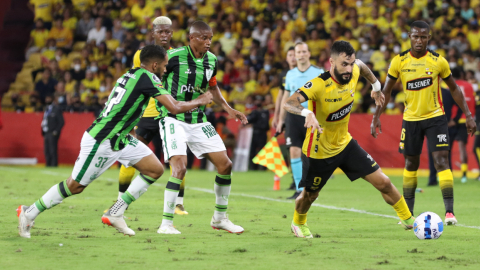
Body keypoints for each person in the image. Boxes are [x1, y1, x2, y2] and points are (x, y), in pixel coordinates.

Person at [17, 44, 213, 238]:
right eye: (164, 65)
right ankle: (29, 212)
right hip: (102, 140)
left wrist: (131, 133)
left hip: (123, 137)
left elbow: (125, 106)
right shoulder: (149, 78)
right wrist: (200, 100)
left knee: (155, 169)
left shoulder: (131, 74)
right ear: (154, 65)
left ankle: (116, 212)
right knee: (74, 186)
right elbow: (174, 107)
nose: (165, 69)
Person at [284, 40, 413, 238]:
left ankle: (408, 219)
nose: (349, 68)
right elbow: (289, 102)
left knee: (384, 182)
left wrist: (377, 86)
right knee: (310, 195)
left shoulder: (354, 70)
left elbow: (362, 66)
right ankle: (298, 223)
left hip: (345, 145)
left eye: (350, 63)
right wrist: (306, 114)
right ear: (331, 62)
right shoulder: (319, 84)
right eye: (344, 64)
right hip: (318, 151)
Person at [371, 21, 476, 226]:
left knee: (441, 162)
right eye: (415, 36)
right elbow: (387, 90)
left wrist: (469, 115)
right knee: (411, 163)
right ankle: (408, 215)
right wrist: (376, 116)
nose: (419, 40)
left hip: (436, 118)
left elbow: (454, 88)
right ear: (409, 36)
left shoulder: (438, 61)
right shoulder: (398, 61)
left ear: (429, 37)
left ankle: (449, 213)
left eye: (423, 37)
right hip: (410, 120)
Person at [157, 21, 248, 235]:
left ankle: (220, 218)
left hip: (198, 120)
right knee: (179, 168)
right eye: (204, 38)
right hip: (173, 118)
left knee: (225, 165)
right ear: (192, 37)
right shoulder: (174, 56)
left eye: (210, 38)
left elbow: (213, 88)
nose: (208, 42)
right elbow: (155, 78)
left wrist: (228, 109)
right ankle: (166, 224)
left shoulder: (212, 60)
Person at [114, 16, 190, 215]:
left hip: (170, 113)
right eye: (160, 32)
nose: (164, 35)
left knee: (177, 158)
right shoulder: (142, 55)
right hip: (147, 113)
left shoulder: (180, 54)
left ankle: (178, 204)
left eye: (167, 32)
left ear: (172, 33)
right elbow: (137, 81)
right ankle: (120, 201)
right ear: (153, 33)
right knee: (130, 156)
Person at [276, 42, 324, 199]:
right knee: (294, 151)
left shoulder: (319, 72)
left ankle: (312, 187)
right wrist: (281, 119)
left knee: (311, 153)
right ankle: (299, 189)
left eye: (304, 51)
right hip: (294, 116)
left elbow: (324, 96)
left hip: (313, 115)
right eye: (299, 52)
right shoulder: (290, 75)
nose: (302, 54)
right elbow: (286, 97)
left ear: (309, 53)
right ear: (295, 55)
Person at [247, 96, 270, 170]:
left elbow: (265, 125)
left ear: (263, 102)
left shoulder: (265, 112)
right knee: (252, 151)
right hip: (254, 133)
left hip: (262, 134)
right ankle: (253, 168)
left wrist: (255, 124)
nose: (258, 102)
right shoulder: (254, 112)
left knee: (263, 151)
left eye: (259, 101)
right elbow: (248, 120)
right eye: (257, 100)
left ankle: (263, 168)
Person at [41, 95, 64, 167]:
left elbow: (61, 122)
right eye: (46, 98)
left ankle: (54, 165)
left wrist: (56, 131)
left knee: (52, 149)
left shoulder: (56, 109)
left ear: (52, 99)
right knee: (46, 150)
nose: (47, 100)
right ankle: (48, 164)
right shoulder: (46, 109)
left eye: (48, 98)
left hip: (52, 132)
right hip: (46, 132)